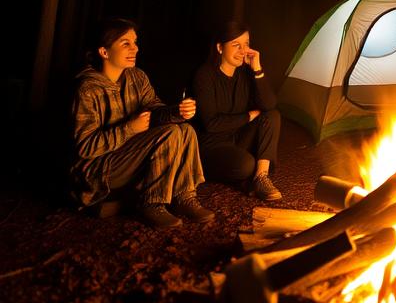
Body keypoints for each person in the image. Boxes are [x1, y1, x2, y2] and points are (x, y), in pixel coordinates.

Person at [70, 17, 215, 230]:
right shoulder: (87, 89)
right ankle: (152, 202)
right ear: (104, 52)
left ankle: (183, 196)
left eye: (135, 42)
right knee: (170, 134)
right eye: (125, 43)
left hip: (129, 157)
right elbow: (85, 147)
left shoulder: (136, 77)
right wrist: (130, 128)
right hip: (98, 170)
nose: (135, 48)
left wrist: (176, 112)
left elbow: (154, 110)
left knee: (184, 129)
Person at [192, 21, 283, 204]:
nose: (243, 50)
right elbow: (211, 124)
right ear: (219, 47)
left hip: (238, 138)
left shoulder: (246, 73)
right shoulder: (204, 75)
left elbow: (269, 104)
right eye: (236, 45)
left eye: (246, 44)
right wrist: (248, 116)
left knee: (272, 116)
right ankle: (247, 177)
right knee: (245, 165)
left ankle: (261, 178)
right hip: (213, 147)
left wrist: (257, 69)